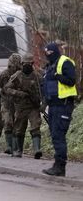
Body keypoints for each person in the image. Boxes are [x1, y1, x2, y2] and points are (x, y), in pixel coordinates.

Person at [42, 42, 77, 177]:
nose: (48, 55)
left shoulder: (65, 62)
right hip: (53, 105)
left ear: (55, 51)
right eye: (46, 53)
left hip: (63, 105)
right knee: (55, 135)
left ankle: (60, 167)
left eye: (50, 52)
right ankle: (57, 165)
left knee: (58, 136)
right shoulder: (50, 65)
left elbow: (71, 80)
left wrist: (58, 76)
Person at [4, 53, 42, 159]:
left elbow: (42, 90)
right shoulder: (17, 76)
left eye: (29, 64)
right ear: (22, 64)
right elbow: (7, 89)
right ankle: (17, 150)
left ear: (32, 64)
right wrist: (19, 93)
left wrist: (42, 103)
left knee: (35, 126)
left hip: (33, 107)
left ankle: (37, 149)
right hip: (21, 107)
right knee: (19, 129)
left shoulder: (37, 76)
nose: (27, 65)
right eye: (25, 64)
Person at [0, 53, 22, 154]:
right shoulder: (4, 74)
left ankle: (15, 147)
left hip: (17, 102)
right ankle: (9, 146)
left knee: (17, 124)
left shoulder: (21, 74)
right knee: (7, 121)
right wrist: (2, 91)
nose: (14, 67)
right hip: (6, 102)